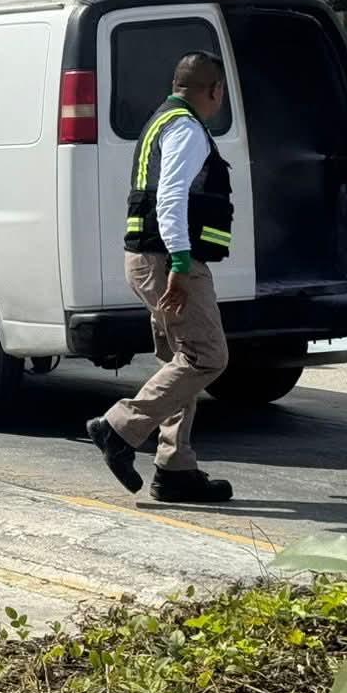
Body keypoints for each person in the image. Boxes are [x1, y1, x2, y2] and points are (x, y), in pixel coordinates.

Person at [87, 52, 235, 504]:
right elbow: (171, 198)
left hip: (147, 257)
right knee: (208, 357)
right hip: (165, 260)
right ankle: (119, 427)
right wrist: (180, 264)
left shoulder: (161, 120)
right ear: (214, 90)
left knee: (181, 359)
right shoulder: (187, 129)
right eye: (220, 94)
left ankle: (175, 468)